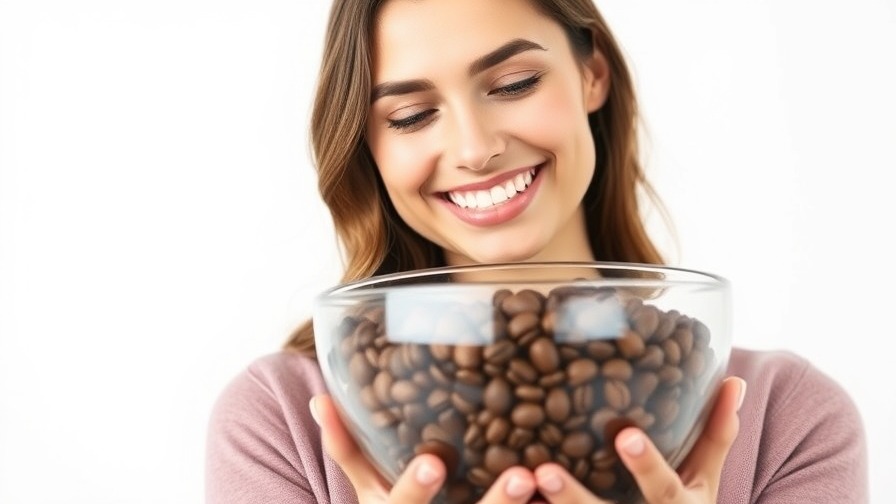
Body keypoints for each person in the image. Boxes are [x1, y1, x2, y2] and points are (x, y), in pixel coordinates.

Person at [205, 0, 868, 502]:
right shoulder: (285, 421)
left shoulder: (787, 420)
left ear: (592, 75)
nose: (473, 149)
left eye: (515, 83)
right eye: (409, 116)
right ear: (368, 148)